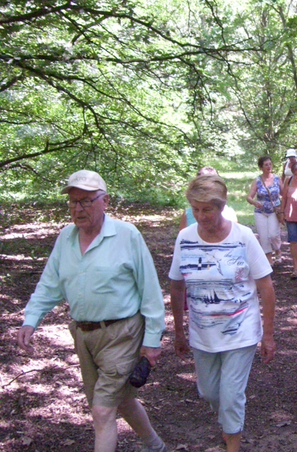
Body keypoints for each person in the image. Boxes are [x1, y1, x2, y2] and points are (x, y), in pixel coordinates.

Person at [16, 170, 167, 452]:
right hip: (83, 335)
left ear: (105, 201)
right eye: (73, 202)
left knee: (102, 411)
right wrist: (30, 320)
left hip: (122, 333)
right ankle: (155, 446)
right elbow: (50, 284)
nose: (77, 209)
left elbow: (150, 290)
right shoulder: (66, 238)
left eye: (85, 201)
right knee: (120, 401)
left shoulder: (126, 235)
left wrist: (152, 340)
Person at [170, 175, 276, 452]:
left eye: (208, 209)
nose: (201, 215)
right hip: (202, 332)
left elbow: (266, 286)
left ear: (221, 206)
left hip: (241, 330)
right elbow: (177, 285)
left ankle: (233, 443)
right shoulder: (184, 238)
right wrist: (179, 331)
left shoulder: (243, 237)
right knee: (209, 392)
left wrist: (269, 335)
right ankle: (230, 425)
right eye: (195, 209)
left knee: (230, 396)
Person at [246, 156, 283, 265]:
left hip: (274, 211)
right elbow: (249, 197)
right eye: (266, 165)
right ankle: (269, 258)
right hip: (260, 212)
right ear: (261, 167)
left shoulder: (277, 179)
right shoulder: (257, 180)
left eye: (270, 164)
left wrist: (283, 208)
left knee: (273, 234)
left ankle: (278, 250)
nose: (268, 167)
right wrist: (254, 202)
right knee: (263, 236)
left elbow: (285, 194)